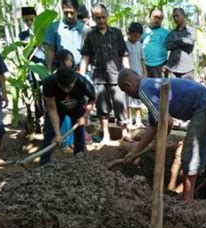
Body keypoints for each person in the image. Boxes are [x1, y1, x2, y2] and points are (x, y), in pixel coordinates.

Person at [117, 69, 206, 202]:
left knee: (191, 151)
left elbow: (167, 121)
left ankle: (187, 201)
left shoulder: (144, 90)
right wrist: (135, 152)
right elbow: (154, 126)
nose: (129, 95)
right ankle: (195, 193)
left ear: (128, 86)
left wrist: (159, 142)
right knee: (200, 149)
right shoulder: (151, 86)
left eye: (126, 92)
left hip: (205, 107)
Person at [80, 3, 131, 144]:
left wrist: (127, 73)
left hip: (117, 77)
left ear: (107, 16)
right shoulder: (89, 35)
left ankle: (125, 133)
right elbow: (85, 56)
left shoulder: (116, 33)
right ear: (93, 18)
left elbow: (124, 54)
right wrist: (82, 77)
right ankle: (106, 135)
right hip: (99, 78)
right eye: (98, 18)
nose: (101, 21)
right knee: (102, 108)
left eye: (103, 17)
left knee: (120, 106)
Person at [40, 68, 95, 165]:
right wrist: (57, 134)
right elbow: (52, 109)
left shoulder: (82, 82)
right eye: (63, 87)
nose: (66, 90)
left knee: (79, 131)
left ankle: (79, 159)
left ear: (74, 80)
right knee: (50, 133)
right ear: (57, 82)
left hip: (77, 107)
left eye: (69, 87)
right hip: (57, 108)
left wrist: (85, 116)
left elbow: (92, 99)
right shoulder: (49, 83)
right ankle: (44, 163)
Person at [19, 6, 47, 133]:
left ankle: (48, 121)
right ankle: (37, 121)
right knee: (35, 95)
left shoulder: (44, 32)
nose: (29, 23)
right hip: (31, 70)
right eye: (26, 20)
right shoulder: (22, 35)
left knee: (47, 94)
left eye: (31, 20)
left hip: (43, 69)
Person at [44, 0, 86, 72]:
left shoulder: (85, 29)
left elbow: (87, 54)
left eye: (72, 12)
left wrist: (82, 71)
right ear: (62, 9)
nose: (69, 15)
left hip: (80, 70)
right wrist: (49, 71)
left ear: (77, 10)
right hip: (61, 70)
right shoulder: (54, 28)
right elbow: (50, 50)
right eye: (66, 12)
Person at [125, 22, 147, 128]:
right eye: (134, 36)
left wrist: (145, 73)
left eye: (138, 36)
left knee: (139, 96)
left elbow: (143, 60)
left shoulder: (139, 45)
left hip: (139, 73)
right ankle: (129, 120)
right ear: (129, 33)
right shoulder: (125, 44)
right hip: (128, 74)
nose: (136, 38)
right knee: (128, 97)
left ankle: (138, 120)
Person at [165, 8, 196, 80]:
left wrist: (175, 40)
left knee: (188, 90)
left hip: (187, 69)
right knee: (172, 90)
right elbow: (167, 45)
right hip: (172, 69)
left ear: (183, 16)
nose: (175, 18)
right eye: (173, 16)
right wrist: (182, 41)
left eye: (177, 16)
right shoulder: (172, 32)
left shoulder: (191, 30)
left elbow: (190, 42)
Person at [142, 8, 169, 78]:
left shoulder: (166, 33)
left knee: (160, 87)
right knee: (145, 86)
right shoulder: (142, 31)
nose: (157, 20)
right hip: (144, 66)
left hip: (160, 66)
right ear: (149, 17)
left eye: (160, 18)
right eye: (155, 17)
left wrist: (167, 64)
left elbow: (171, 49)